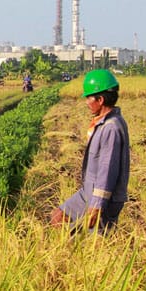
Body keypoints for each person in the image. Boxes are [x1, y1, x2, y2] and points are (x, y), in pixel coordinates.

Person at [50, 68, 130, 232]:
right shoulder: (103, 123)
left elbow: (107, 170)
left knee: (97, 242)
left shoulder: (111, 128)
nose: (87, 102)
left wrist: (97, 205)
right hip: (88, 191)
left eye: (89, 98)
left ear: (100, 99)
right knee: (58, 217)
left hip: (103, 197)